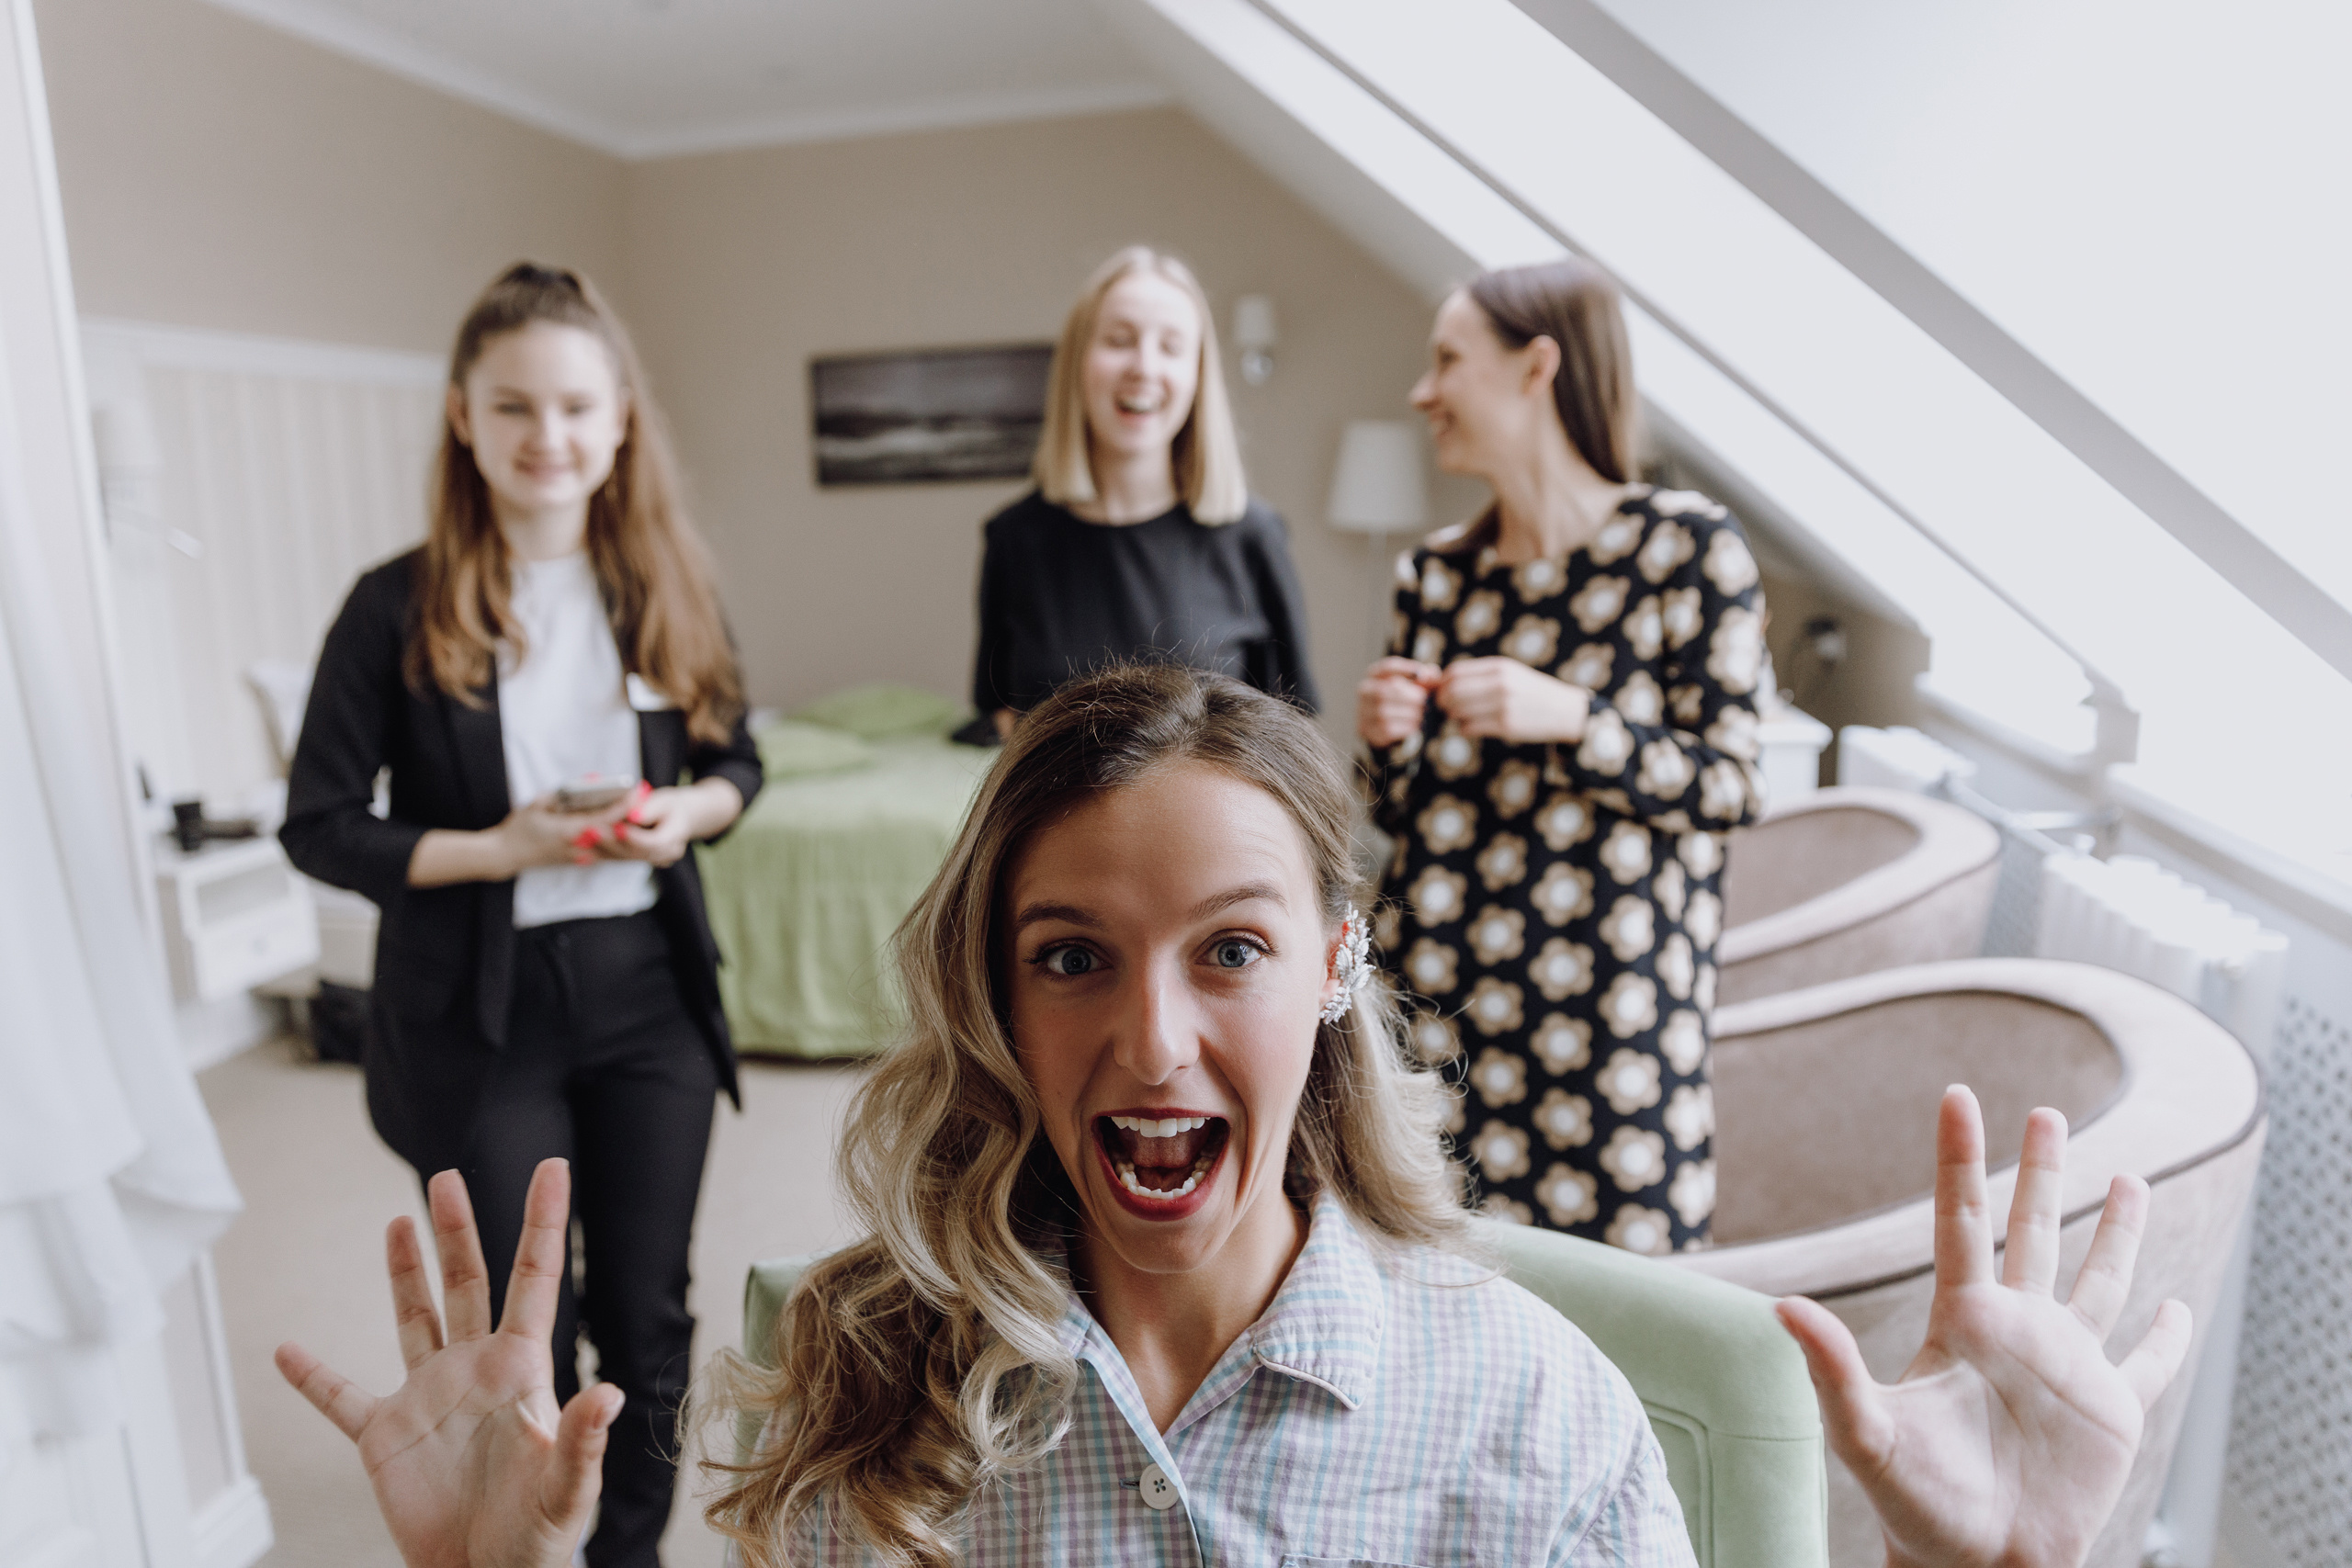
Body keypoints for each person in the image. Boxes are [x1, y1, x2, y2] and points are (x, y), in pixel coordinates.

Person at [277, 667, 2193, 1568]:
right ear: (994, 994)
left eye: (1231, 951)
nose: (1155, 1039)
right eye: (1071, 956)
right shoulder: (862, 1380)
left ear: (1336, 969)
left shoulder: (1533, 1416)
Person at [278, 262, 763, 1568]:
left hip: (648, 987)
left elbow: (739, 764)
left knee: (651, 1313)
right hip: (478, 1010)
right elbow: (320, 821)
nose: (547, 437)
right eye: (515, 408)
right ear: (463, 419)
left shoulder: (665, 582)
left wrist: (685, 813)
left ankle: (632, 1551)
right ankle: (523, 1544)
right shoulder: (394, 604)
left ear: (619, 425)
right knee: (523, 1332)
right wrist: (501, 845)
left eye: (574, 407)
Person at [1359, 258, 1764, 1251]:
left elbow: (1731, 785)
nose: (1423, 392)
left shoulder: (1685, 552)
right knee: (1433, 1303)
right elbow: (1402, 819)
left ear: (1536, 368)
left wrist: (1574, 720)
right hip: (1434, 1028)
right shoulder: (1437, 577)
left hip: (1606, 1039)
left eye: (1446, 360)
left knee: (1626, 1333)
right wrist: (1386, 744)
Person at [967, 246, 1318, 739]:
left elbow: (1294, 737)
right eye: (1119, 340)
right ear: (1077, 362)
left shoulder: (1252, 537)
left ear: (1197, 377)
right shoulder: (1013, 540)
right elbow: (999, 721)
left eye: (1171, 347)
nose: (1144, 367)